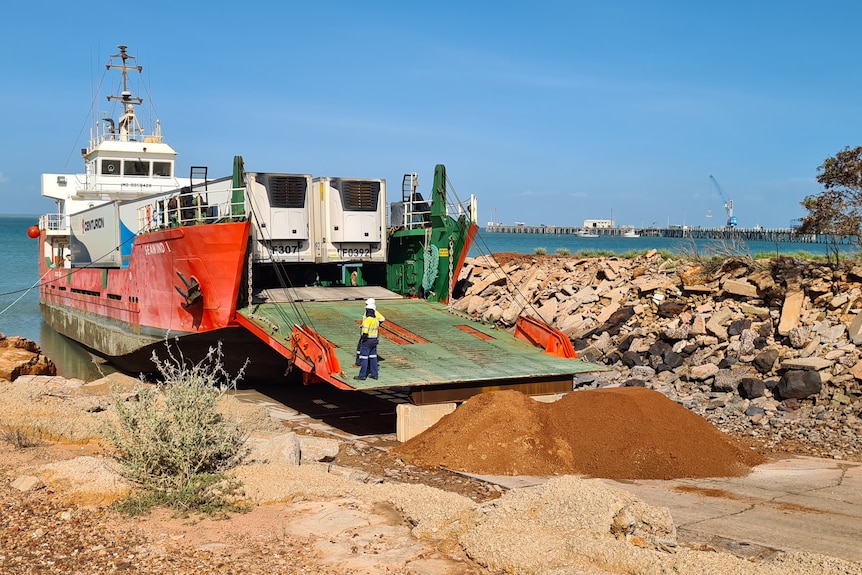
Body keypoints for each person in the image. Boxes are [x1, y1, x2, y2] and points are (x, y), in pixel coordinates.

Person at [355, 299, 384, 380]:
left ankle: (362, 375)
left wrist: (363, 339)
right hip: (374, 340)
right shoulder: (376, 320)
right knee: (373, 358)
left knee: (364, 358)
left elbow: (365, 331)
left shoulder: (368, 320)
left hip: (367, 341)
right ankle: (375, 375)